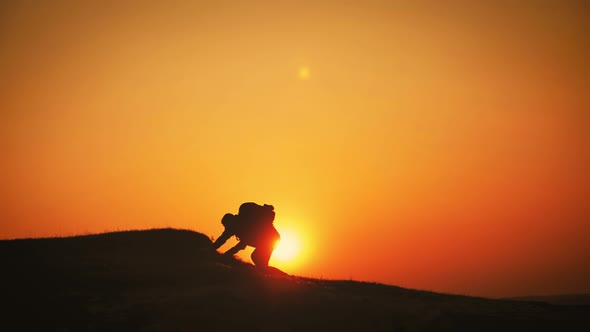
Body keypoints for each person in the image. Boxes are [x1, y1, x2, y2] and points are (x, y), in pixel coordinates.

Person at [213, 202, 281, 268]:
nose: (226, 229)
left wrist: (225, 255)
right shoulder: (236, 225)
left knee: (257, 258)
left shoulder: (244, 225)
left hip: (271, 239)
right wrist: (212, 248)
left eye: (226, 226)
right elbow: (223, 238)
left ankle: (277, 276)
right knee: (259, 261)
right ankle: (274, 275)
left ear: (231, 222)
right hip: (271, 239)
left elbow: (241, 245)